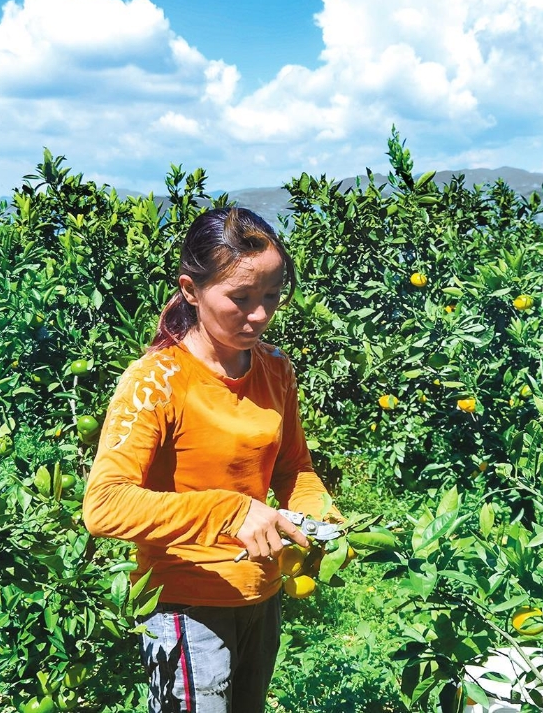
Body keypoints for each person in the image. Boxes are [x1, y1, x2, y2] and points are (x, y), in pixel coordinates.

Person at [82, 206, 339, 713]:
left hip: (260, 594)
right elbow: (104, 505)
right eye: (240, 299)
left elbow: (294, 469)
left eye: (271, 296)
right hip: (185, 601)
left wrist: (322, 520)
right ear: (190, 290)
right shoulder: (156, 380)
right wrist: (230, 510)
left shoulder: (274, 369)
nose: (260, 315)